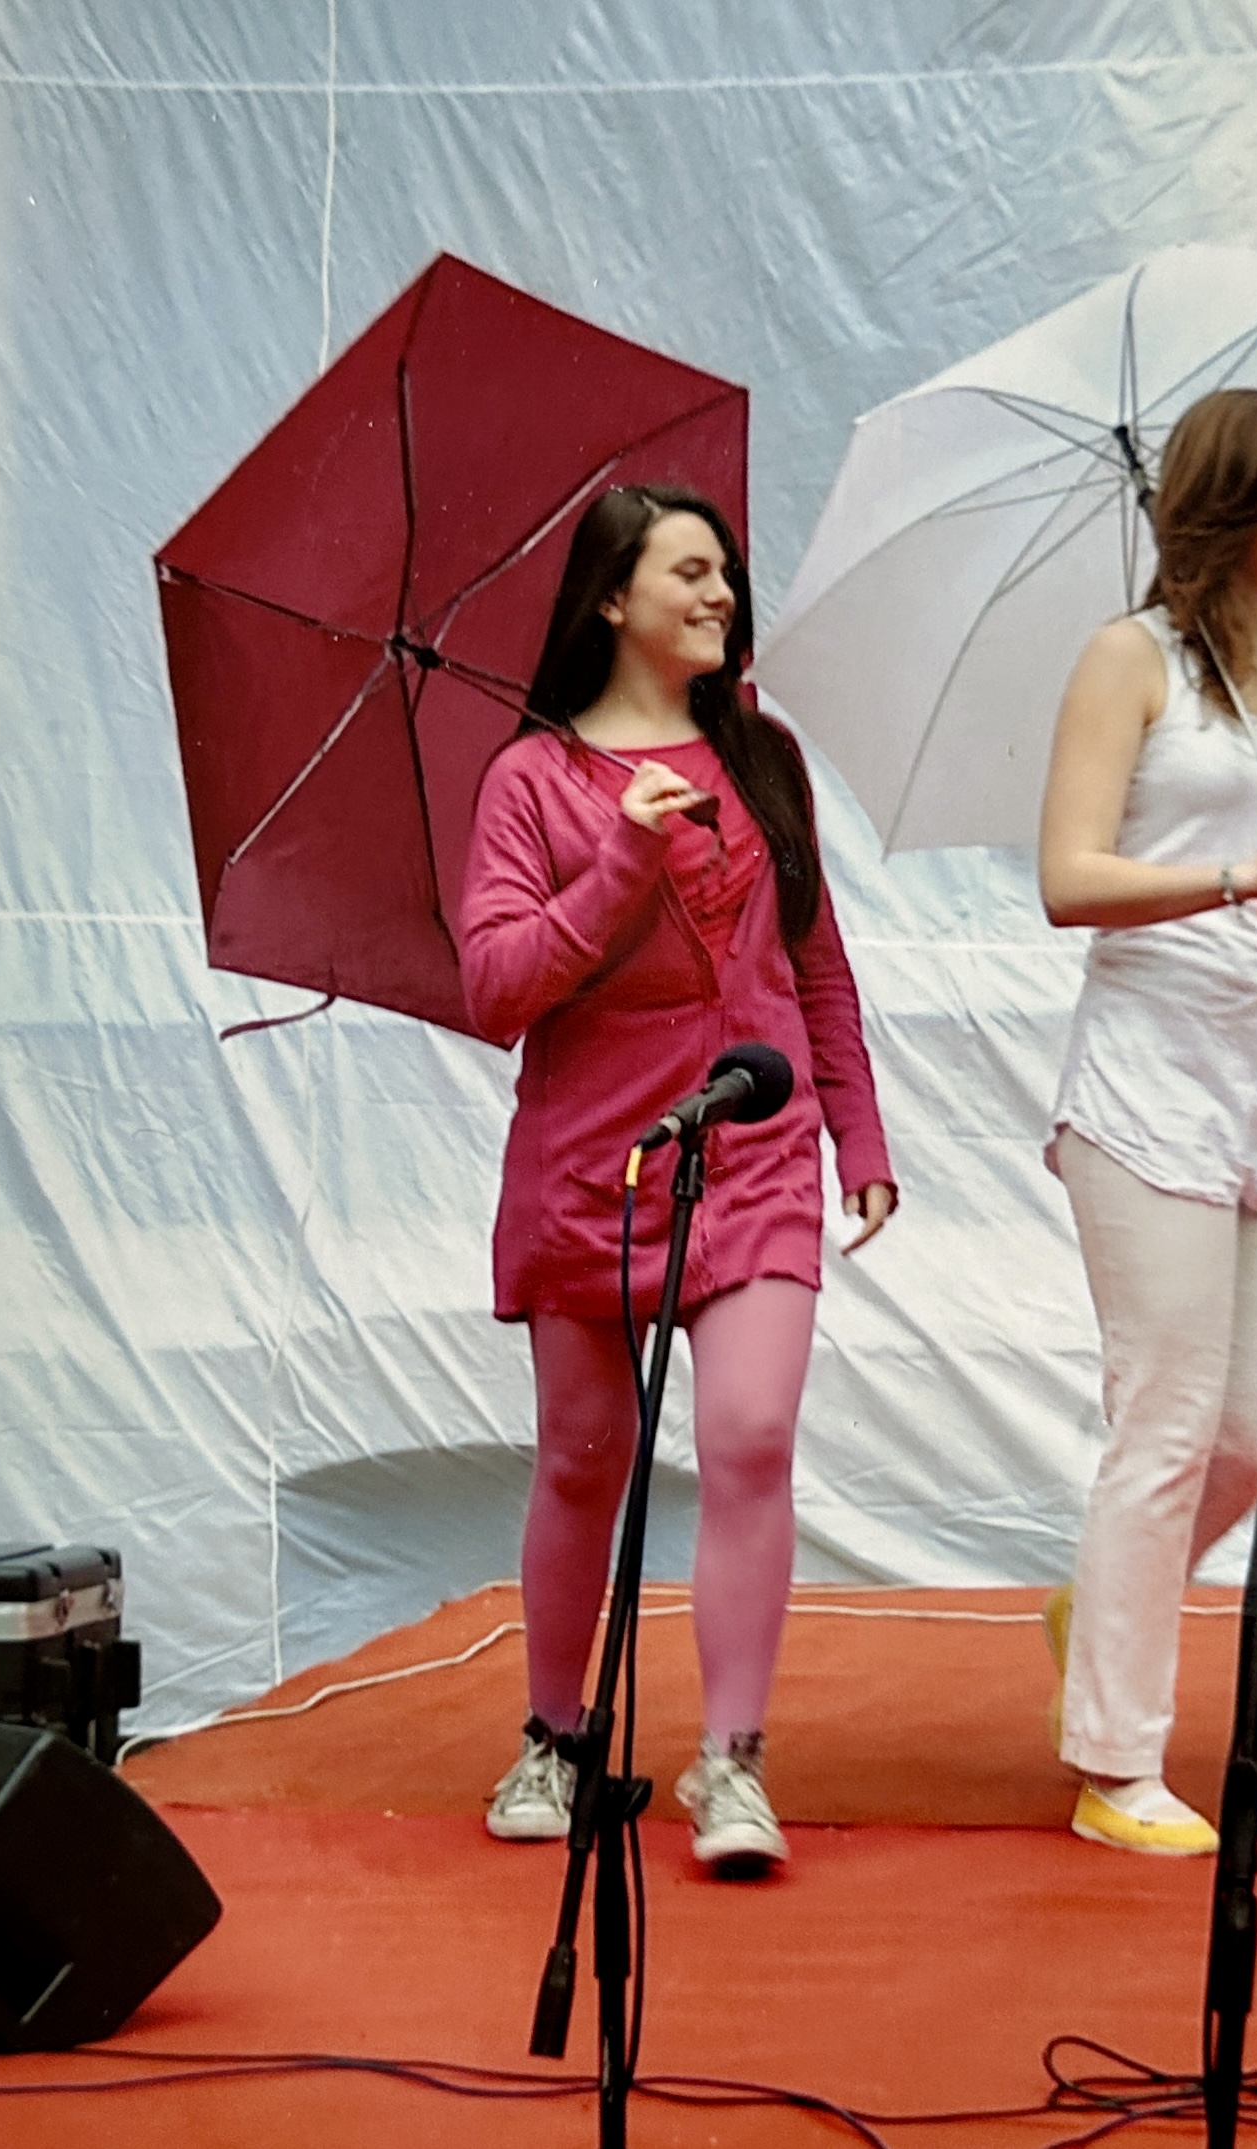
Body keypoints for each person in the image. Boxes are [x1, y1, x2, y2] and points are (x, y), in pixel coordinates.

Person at [458, 485, 896, 1874]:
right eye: (688, 572)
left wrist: (859, 1134)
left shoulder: (762, 756)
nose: (720, 594)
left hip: (757, 1145)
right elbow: (495, 989)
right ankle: (554, 1733)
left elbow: (813, 959)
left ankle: (733, 1760)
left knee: (753, 1434)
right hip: (591, 1161)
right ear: (610, 598)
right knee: (583, 1458)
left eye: (725, 573)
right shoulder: (531, 780)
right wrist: (621, 857)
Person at [1035, 388, 1257, 1854]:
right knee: (1164, 1416)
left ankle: (1105, 1603)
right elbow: (1070, 879)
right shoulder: (1131, 657)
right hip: (1146, 1074)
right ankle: (1116, 1766)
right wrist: (1236, 877)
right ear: (1235, 494)